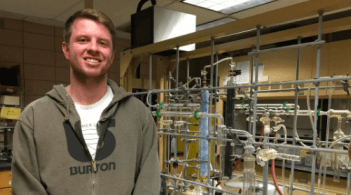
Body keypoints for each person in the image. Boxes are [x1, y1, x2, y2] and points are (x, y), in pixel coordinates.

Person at [11, 8, 160, 195]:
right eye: (83, 40)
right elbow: (25, 190)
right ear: (66, 49)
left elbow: (149, 183)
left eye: (103, 43)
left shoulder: (139, 115)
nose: (93, 48)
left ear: (112, 55)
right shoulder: (33, 118)